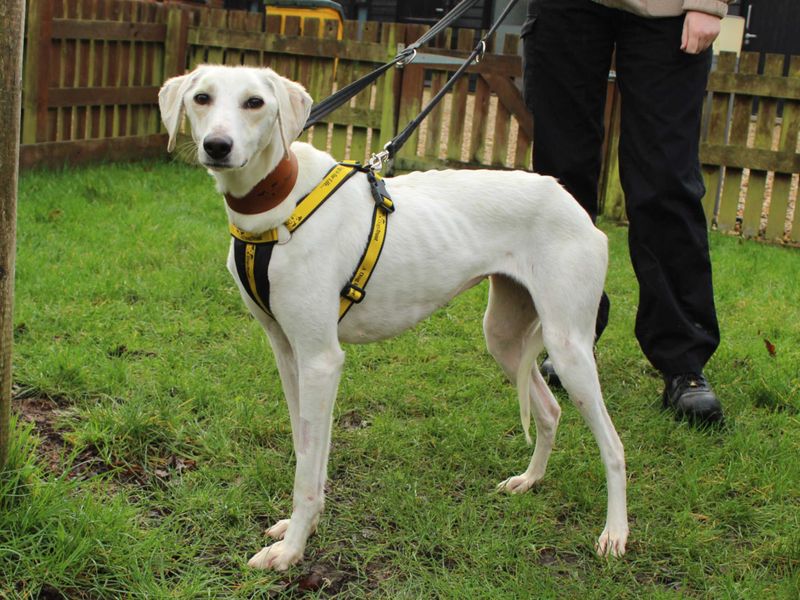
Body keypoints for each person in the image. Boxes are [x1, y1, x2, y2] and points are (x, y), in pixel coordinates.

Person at [522, 0, 730, 424]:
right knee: (561, 184)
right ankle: (570, 340)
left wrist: (709, 3)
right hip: (566, 11)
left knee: (666, 181)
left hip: (666, 12)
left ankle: (682, 361)